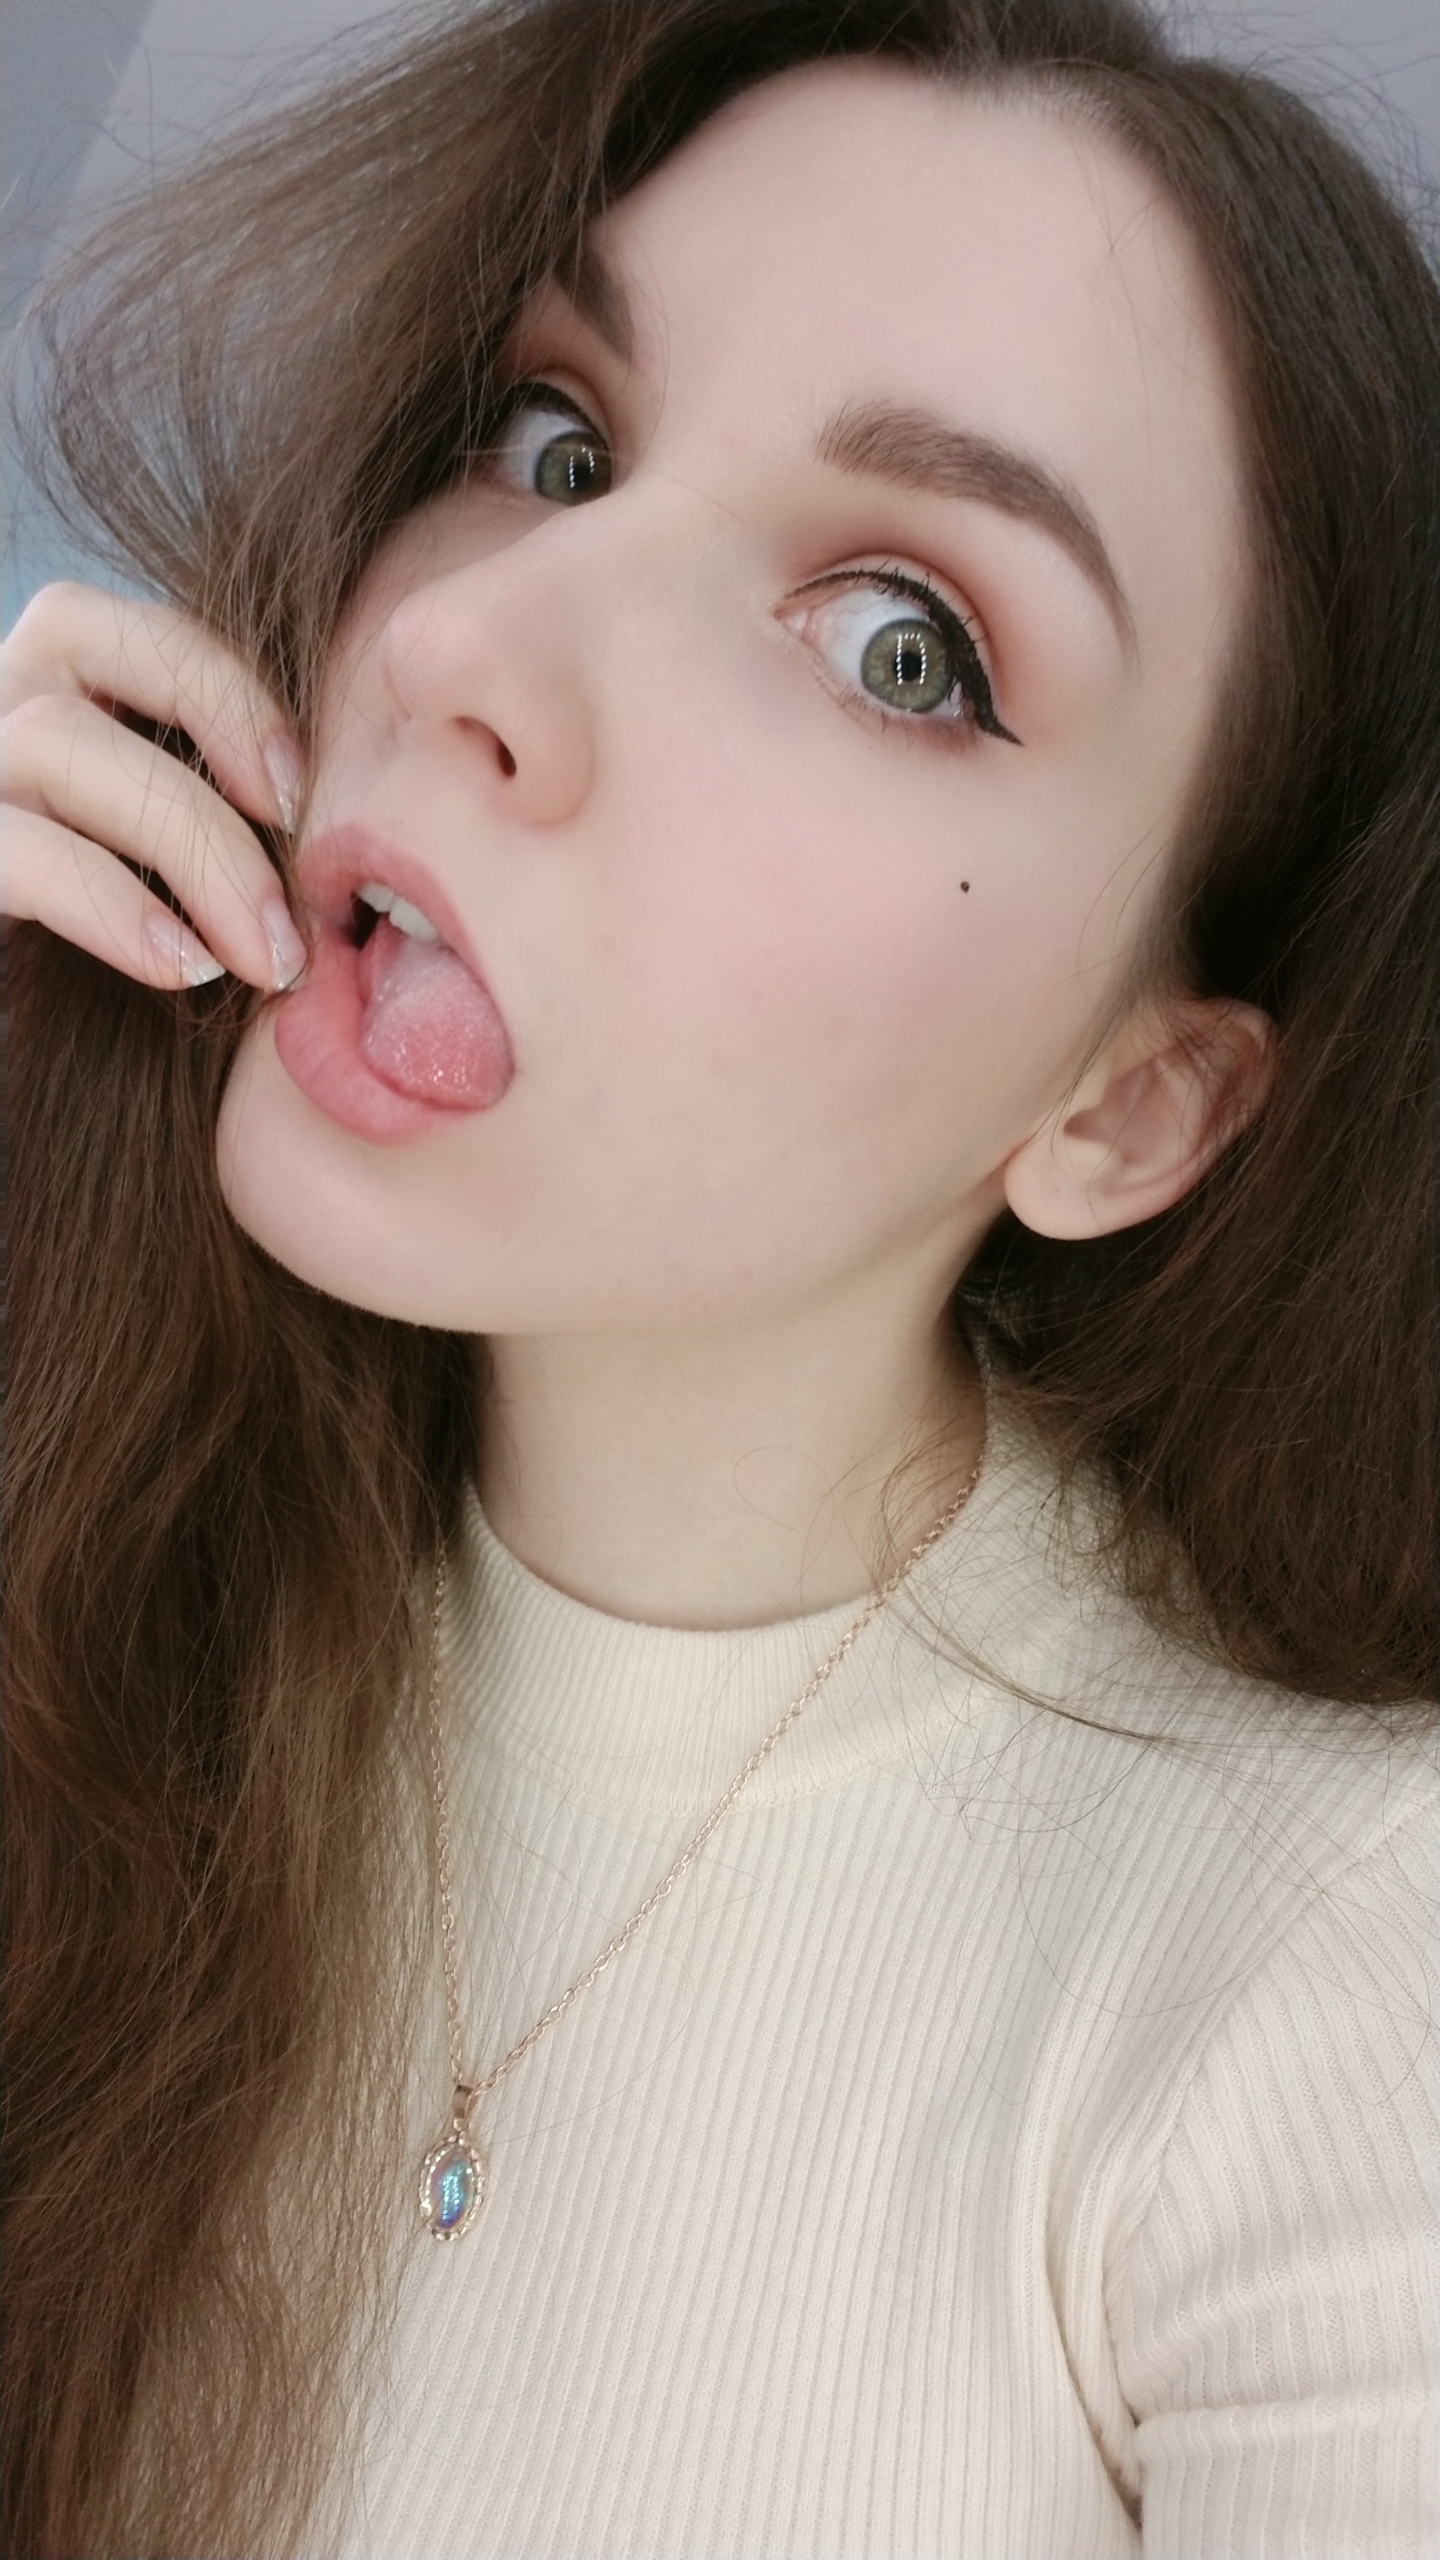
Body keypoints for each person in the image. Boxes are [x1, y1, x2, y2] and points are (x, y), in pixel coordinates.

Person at [4, 1, 1435, 2553]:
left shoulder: (1322, 1976)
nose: (469, 645)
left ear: (1124, 1103)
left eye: (906, 647)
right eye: (553, 439)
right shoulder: (104, 1561)